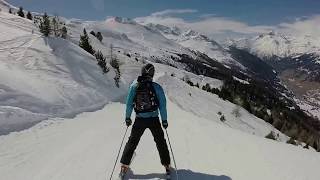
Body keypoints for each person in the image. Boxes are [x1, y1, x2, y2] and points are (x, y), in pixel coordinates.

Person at [120, 63, 171, 174]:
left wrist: (128, 118)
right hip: (154, 119)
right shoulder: (156, 87)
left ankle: (124, 165)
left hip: (140, 119)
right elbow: (163, 105)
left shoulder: (135, 86)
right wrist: (164, 120)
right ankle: (166, 164)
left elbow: (129, 104)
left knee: (132, 141)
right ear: (152, 74)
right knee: (160, 141)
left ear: (142, 72)